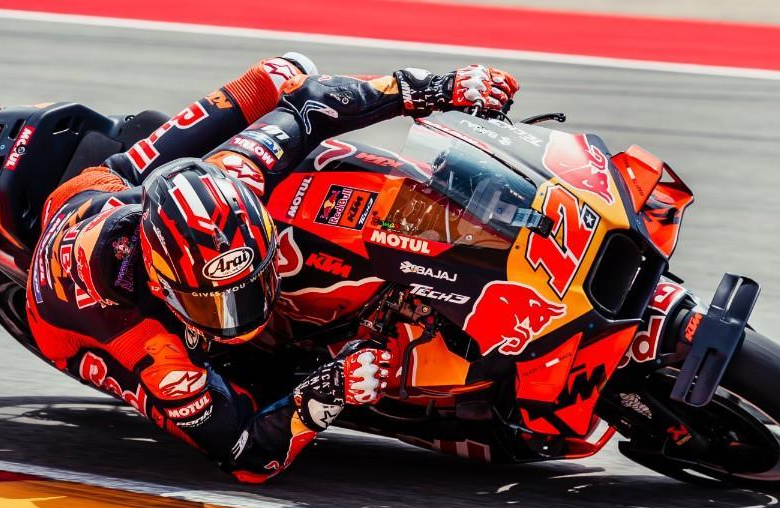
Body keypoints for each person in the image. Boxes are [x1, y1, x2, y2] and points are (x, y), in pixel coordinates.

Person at [26, 53, 519, 482]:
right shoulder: (152, 349)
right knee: (262, 383)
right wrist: (324, 395)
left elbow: (314, 102)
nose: (238, 314)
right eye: (210, 301)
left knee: (283, 73)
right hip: (67, 304)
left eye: (248, 285)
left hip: (103, 193)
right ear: (159, 279)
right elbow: (246, 457)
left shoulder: (236, 171)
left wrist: (433, 88)